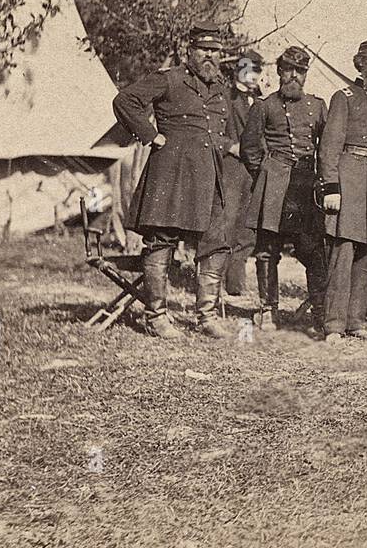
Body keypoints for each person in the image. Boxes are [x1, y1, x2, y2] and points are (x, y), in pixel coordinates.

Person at [112, 23, 236, 338]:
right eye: (204, 50)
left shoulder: (220, 87)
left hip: (209, 177)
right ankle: (156, 317)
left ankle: (206, 317)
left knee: (216, 242)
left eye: (215, 51)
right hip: (172, 175)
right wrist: (151, 135)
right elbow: (125, 100)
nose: (210, 56)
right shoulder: (169, 79)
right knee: (161, 241)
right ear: (189, 51)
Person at [316, 38, 367, 341]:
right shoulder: (344, 97)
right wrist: (332, 187)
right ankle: (334, 325)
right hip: (349, 179)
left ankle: (355, 322)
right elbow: (329, 147)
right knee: (343, 254)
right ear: (359, 64)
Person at [240, 46, 328, 331]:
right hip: (274, 183)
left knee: (313, 250)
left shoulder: (318, 106)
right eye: (288, 69)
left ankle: (320, 311)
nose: (294, 76)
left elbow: (326, 147)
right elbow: (250, 149)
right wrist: (266, 175)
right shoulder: (264, 106)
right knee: (268, 250)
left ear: (305, 74)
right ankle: (268, 310)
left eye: (300, 71)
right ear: (279, 72)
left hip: (305, 187)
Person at [222, 48, 263, 303]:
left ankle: (235, 284)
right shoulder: (225, 97)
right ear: (238, 69)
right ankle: (215, 281)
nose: (252, 75)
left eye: (257, 70)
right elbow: (212, 130)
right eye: (247, 68)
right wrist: (230, 146)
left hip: (253, 170)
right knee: (226, 223)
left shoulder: (261, 101)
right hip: (232, 167)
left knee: (248, 228)